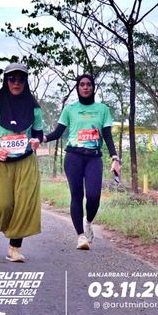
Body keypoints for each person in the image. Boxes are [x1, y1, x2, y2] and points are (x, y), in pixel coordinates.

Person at [43, 74, 121, 250]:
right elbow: (58, 132)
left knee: (93, 196)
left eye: (88, 84)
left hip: (94, 158)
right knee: (76, 195)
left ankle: (88, 221)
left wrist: (115, 158)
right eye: (82, 85)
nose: (85, 87)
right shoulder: (70, 109)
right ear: (78, 88)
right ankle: (80, 236)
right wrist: (43, 138)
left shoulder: (102, 109)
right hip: (73, 157)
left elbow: (107, 136)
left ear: (93, 87)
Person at [0, 63, 43, 262]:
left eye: (21, 79)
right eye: (12, 79)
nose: (16, 83)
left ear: (26, 82)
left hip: (25, 161)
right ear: (5, 81)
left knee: (24, 204)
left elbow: (38, 133)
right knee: (2, 204)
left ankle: (14, 248)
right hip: (0, 160)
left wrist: (37, 141)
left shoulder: (34, 108)